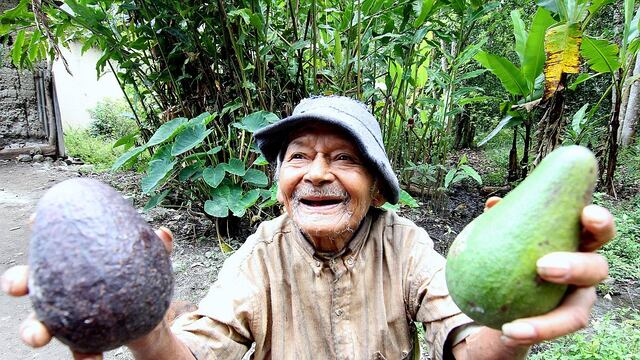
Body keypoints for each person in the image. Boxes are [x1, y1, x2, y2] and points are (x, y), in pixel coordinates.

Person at [2, 96, 614, 360]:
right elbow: (190, 352)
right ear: (279, 184)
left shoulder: (406, 245)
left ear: (377, 189)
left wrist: (510, 329)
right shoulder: (258, 257)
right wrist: (141, 320)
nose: (317, 173)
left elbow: (467, 340)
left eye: (343, 158)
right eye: (298, 156)